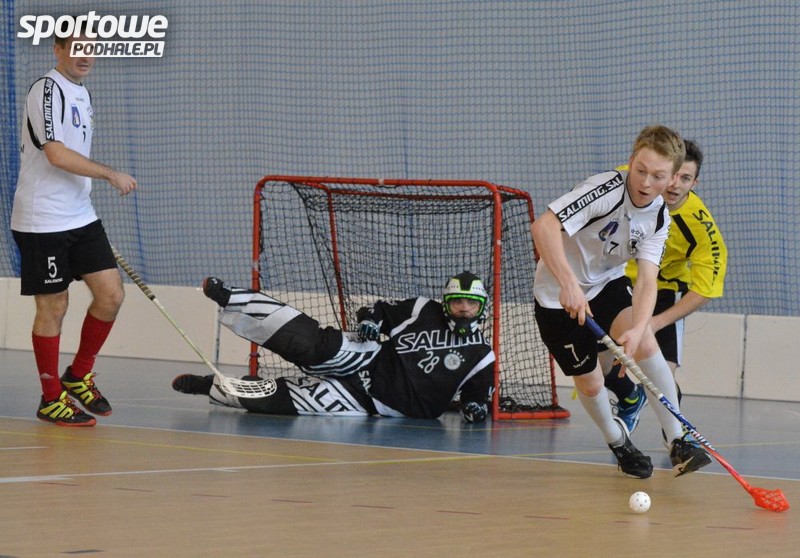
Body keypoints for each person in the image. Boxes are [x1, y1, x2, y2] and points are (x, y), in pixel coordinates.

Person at [531, 124, 711, 479]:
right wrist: (568, 284)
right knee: (591, 383)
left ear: (673, 178)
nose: (645, 182)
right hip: (555, 298)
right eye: (640, 170)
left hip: (606, 285)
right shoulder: (605, 190)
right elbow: (543, 227)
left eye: (658, 176)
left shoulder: (658, 216)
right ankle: (618, 441)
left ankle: (677, 439)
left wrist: (638, 329)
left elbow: (647, 279)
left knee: (645, 341)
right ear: (631, 161)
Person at [11, 32, 138, 426]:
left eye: (92, 49)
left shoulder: (82, 92)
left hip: (80, 216)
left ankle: (78, 375)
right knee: (54, 306)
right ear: (58, 50)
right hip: (43, 220)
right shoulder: (46, 90)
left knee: (111, 295)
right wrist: (110, 174)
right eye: (77, 48)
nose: (86, 56)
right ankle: (51, 398)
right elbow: (56, 154)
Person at [172, 272, 495, 423]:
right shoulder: (422, 309)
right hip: (367, 358)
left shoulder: (482, 354)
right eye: (458, 302)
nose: (464, 309)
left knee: (279, 401)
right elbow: (377, 311)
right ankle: (231, 297)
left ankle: (209, 386)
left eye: (472, 304)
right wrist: (370, 322)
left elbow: (477, 396)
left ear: (482, 308)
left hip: (369, 403)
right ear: (446, 302)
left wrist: (475, 408)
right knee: (308, 343)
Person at [605, 139, 728, 434]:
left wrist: (654, 323)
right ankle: (629, 397)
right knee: (601, 366)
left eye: (685, 179)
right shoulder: (626, 181)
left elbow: (705, 289)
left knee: (661, 374)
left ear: (694, 183)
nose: (674, 185)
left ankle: (676, 437)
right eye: (672, 175)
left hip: (663, 290)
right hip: (615, 281)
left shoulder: (700, 226)